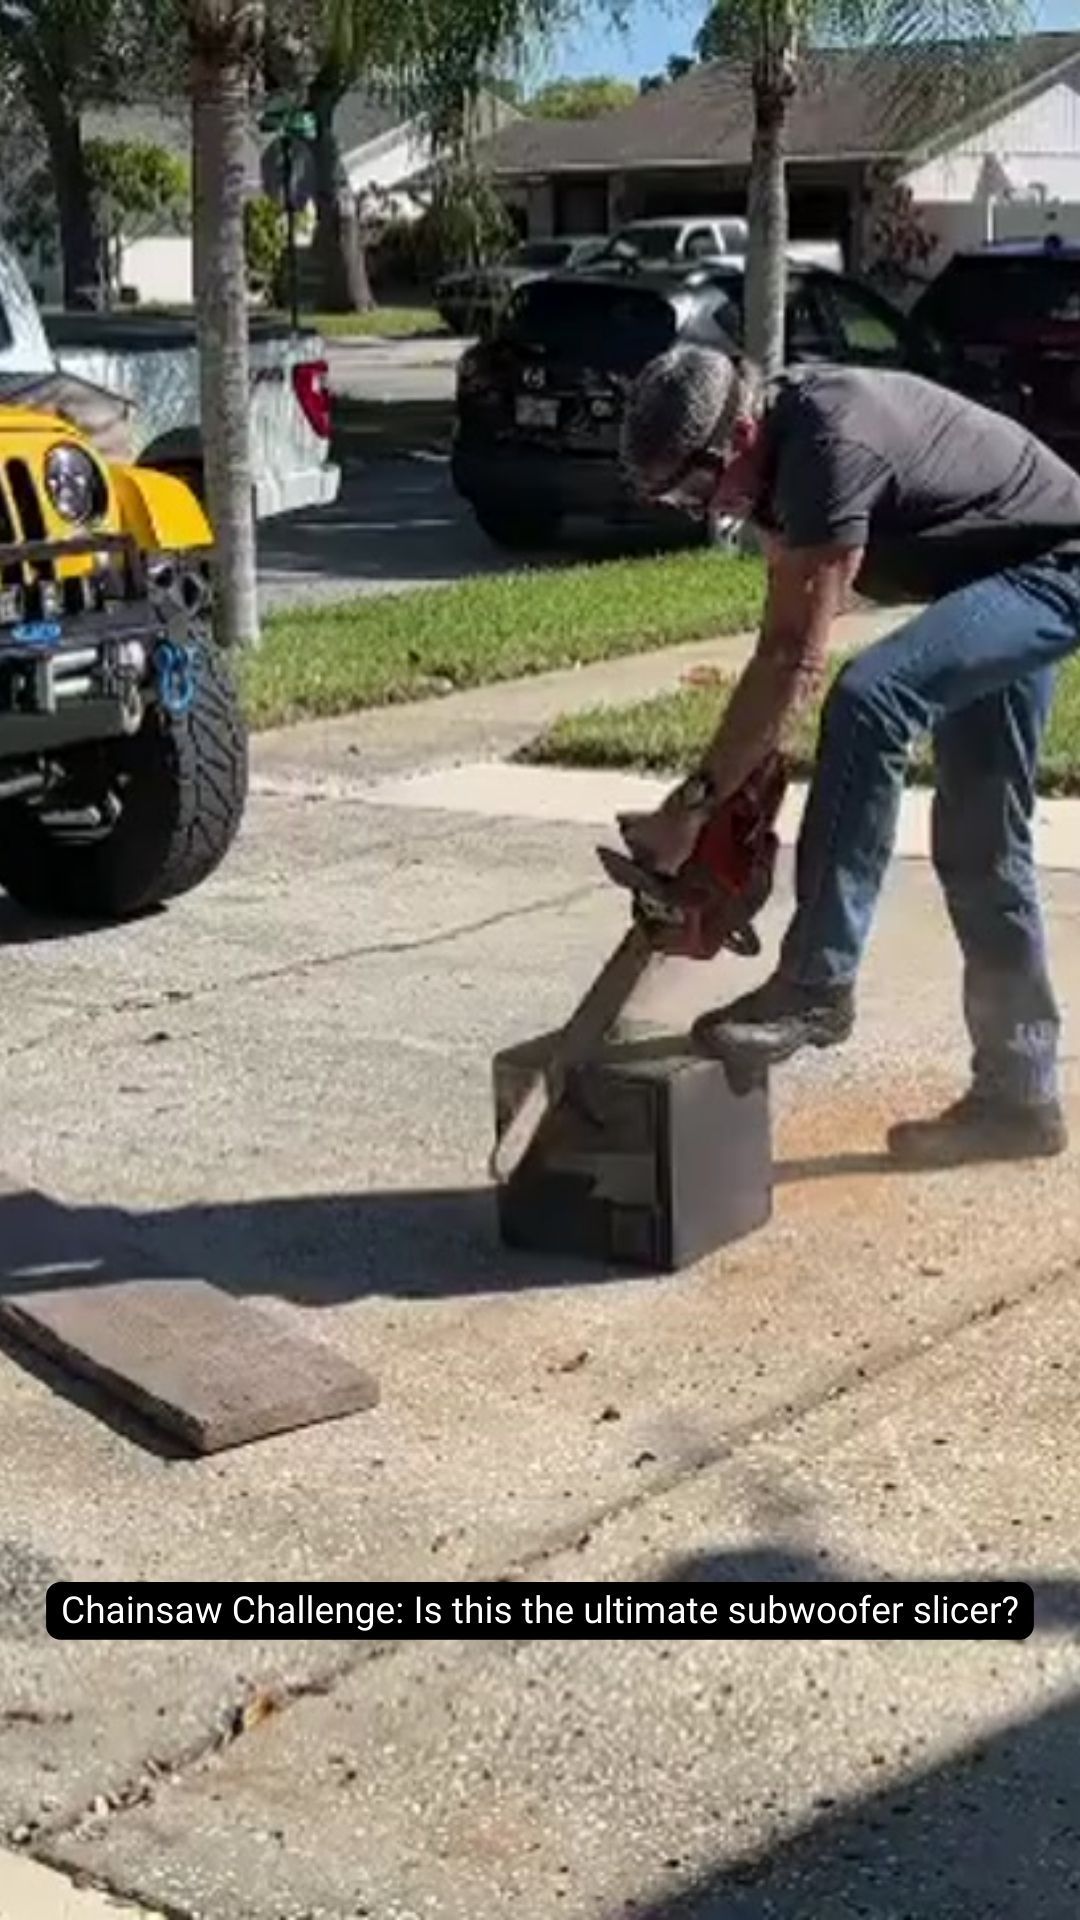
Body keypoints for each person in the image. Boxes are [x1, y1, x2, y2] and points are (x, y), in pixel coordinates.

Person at [617, 346, 1080, 1166]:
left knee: (873, 700)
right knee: (981, 840)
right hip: (984, 579)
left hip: (1052, 564)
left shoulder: (827, 445)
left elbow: (799, 657)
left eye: (696, 487)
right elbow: (774, 664)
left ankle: (817, 984)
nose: (700, 509)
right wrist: (738, 811)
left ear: (742, 432)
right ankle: (1020, 1099)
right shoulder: (770, 470)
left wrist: (688, 811)